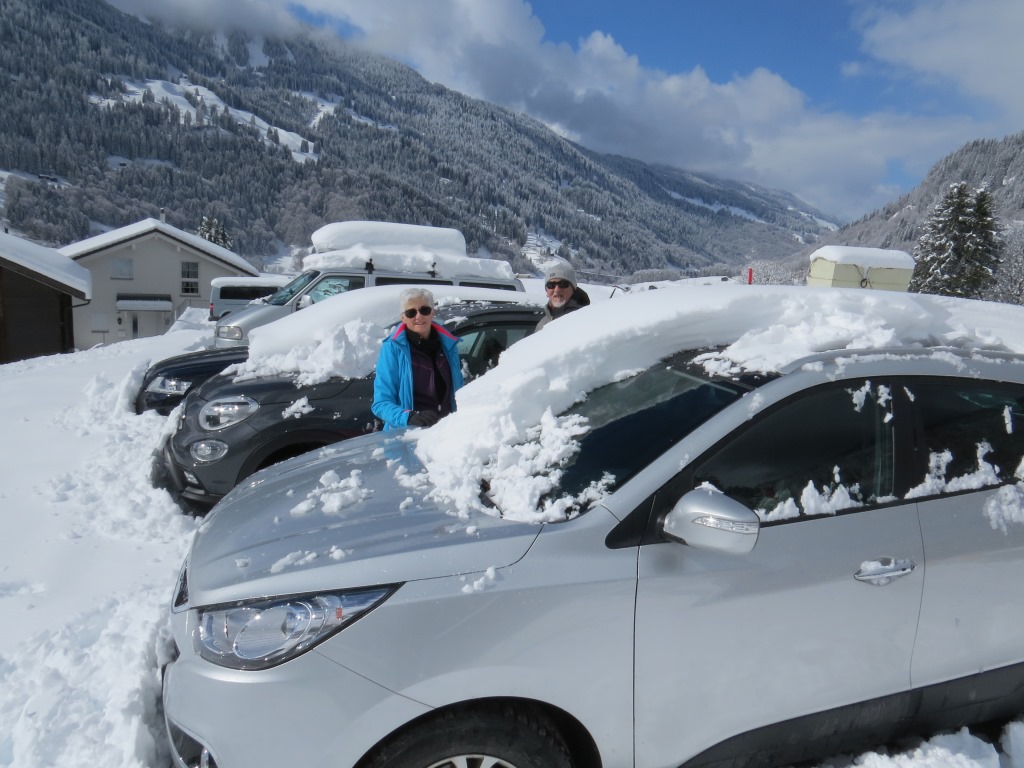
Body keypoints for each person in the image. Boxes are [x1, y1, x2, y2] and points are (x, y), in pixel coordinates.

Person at [371, 287, 464, 430]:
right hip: (408, 434)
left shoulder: (449, 345)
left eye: (424, 310)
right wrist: (409, 417)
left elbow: (458, 392)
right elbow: (381, 403)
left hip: (446, 431)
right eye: (411, 312)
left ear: (432, 312)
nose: (418, 316)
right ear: (403, 317)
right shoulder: (392, 348)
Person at [536, 263, 590, 330]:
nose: (557, 290)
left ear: (573, 289)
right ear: (546, 291)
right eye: (551, 285)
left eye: (563, 284)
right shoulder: (542, 325)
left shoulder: (585, 319)